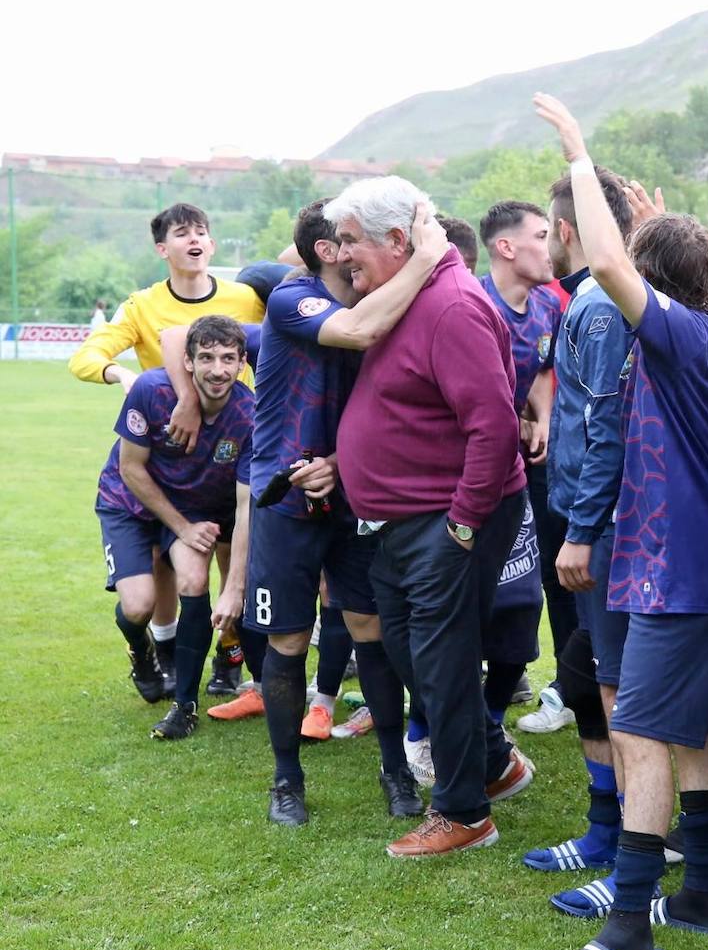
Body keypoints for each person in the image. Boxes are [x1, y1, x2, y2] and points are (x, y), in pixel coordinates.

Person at [535, 94, 708, 950]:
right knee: (690, 730)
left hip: (672, 573)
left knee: (644, 736)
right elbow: (669, 276)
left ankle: (630, 927)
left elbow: (616, 264)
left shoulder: (679, 340)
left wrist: (581, 156)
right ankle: (698, 893)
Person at [333, 177, 532, 858]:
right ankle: (496, 761)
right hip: (404, 520)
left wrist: (464, 524)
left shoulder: (450, 304)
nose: (341, 255)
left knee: (443, 662)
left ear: (399, 240)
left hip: (446, 517)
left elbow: (495, 427)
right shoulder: (404, 295)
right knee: (409, 648)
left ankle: (463, 811)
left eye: (352, 241)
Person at [244, 196, 448, 828]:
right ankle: (286, 779)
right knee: (288, 640)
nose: (358, 250)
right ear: (328, 251)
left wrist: (338, 458)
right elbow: (357, 331)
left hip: (353, 491)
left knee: (370, 628)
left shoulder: (379, 300)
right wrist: (429, 257)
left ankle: (393, 768)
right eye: (349, 239)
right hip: (285, 498)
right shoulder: (292, 297)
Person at [70, 203, 265, 697]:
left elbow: (272, 347)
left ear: (212, 244)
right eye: (182, 234)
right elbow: (88, 355)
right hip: (167, 454)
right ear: (163, 249)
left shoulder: (245, 298)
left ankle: (229, 657)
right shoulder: (142, 305)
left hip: (227, 447)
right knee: (164, 565)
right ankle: (165, 650)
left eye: (202, 231)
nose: (194, 240)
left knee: (229, 554)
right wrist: (121, 373)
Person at [525, 167, 638, 908]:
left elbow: (605, 430)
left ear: (567, 231)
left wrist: (582, 530)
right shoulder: (589, 302)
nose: (537, 245)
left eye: (544, 231)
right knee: (588, 678)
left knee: (613, 685)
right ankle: (603, 830)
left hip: (599, 529)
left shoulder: (597, 309)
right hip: (585, 518)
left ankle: (631, 845)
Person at [93, 315, 254, 739]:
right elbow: (131, 468)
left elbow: (245, 506)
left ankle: (185, 707)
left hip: (188, 507)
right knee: (137, 607)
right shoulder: (150, 391)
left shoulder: (249, 415)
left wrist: (233, 584)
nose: (217, 369)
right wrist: (182, 527)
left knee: (195, 578)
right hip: (129, 502)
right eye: (205, 358)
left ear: (241, 364)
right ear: (187, 362)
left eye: (226, 359)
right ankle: (141, 650)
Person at [478, 200, 576, 704]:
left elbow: (542, 367)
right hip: (468, 470)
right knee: (470, 584)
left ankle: (510, 694)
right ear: (506, 246)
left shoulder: (546, 305)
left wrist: (538, 415)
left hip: (523, 461)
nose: (551, 246)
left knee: (529, 581)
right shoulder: (472, 305)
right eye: (541, 236)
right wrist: (511, 423)